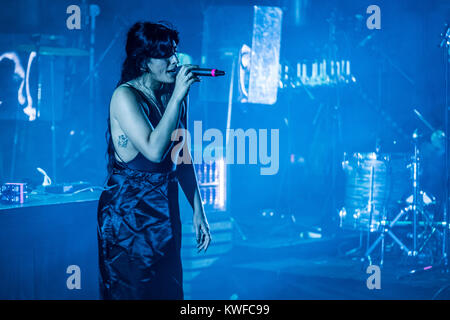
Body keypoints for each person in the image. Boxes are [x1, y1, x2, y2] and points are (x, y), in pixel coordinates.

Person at [97, 21, 211, 300]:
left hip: (164, 212)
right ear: (144, 61)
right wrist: (177, 98)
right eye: (164, 55)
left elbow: (180, 156)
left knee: (168, 291)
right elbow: (154, 150)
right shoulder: (125, 96)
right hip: (129, 217)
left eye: (174, 52)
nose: (174, 61)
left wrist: (198, 210)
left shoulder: (174, 96)